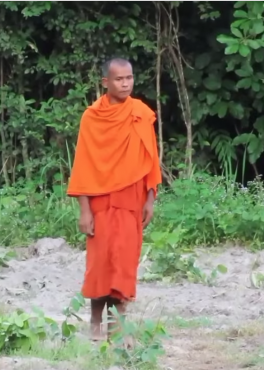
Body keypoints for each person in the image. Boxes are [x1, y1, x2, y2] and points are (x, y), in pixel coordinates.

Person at [66, 57, 162, 344]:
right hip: (101, 201)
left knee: (125, 261)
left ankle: (118, 326)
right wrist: (84, 210)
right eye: (119, 79)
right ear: (105, 82)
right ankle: (95, 321)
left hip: (131, 199)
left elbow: (150, 160)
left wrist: (150, 199)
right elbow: (83, 163)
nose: (125, 84)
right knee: (101, 262)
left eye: (129, 78)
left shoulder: (141, 114)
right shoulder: (92, 117)